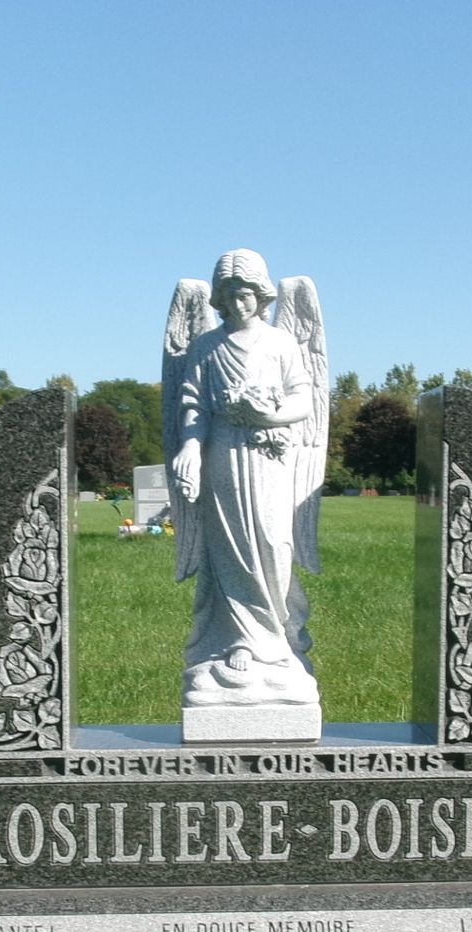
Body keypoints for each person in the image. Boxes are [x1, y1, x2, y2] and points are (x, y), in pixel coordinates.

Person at [169, 250, 319, 708]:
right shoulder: (206, 346)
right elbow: (191, 405)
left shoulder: (281, 344)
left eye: (247, 294)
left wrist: (269, 413)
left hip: (270, 457)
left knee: (274, 544)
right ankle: (238, 641)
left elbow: (304, 400)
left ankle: (278, 641)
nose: (240, 304)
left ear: (263, 295)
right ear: (220, 299)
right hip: (223, 455)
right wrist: (191, 448)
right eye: (231, 295)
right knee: (230, 548)